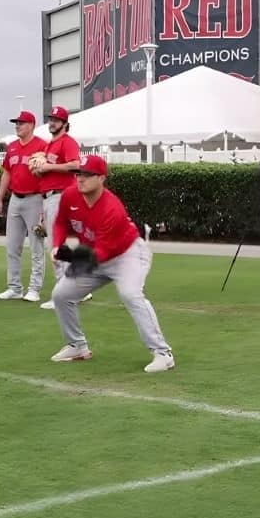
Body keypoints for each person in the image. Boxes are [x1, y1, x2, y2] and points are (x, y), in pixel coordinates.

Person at [48, 155, 175, 373]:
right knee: (61, 295)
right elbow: (60, 222)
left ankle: (163, 353)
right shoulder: (70, 195)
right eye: (78, 173)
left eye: (87, 175)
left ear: (102, 178)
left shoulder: (112, 208)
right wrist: (57, 246)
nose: (80, 178)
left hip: (127, 255)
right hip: (96, 254)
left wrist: (74, 257)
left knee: (130, 294)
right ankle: (77, 346)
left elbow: (103, 252)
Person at [33, 105, 91, 310]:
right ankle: (76, 289)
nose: (52, 122)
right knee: (59, 246)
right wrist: (40, 170)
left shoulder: (68, 142)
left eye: (56, 119)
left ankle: (64, 294)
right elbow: (50, 172)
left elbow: (76, 164)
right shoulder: (49, 145)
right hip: (49, 197)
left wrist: (48, 167)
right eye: (51, 119)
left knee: (56, 247)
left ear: (65, 123)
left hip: (61, 196)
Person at [0, 110, 48, 302]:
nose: (17, 126)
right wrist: (0, 198)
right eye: (16, 123)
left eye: (21, 123)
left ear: (32, 124)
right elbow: (6, 173)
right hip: (15, 199)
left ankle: (34, 288)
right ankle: (14, 287)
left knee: (36, 245)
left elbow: (48, 173)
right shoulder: (13, 147)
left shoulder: (42, 145)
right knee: (12, 246)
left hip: (35, 199)